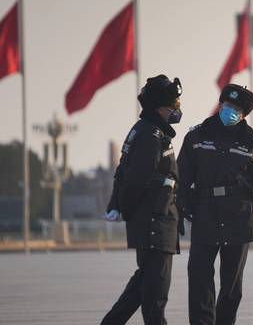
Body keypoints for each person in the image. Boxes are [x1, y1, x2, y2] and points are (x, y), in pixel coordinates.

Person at [176, 83, 253, 325]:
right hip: (205, 214)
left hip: (239, 217)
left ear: (243, 115)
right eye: (227, 105)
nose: (230, 111)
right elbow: (181, 176)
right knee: (198, 275)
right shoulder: (196, 136)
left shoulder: (251, 142)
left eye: (236, 109)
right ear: (220, 105)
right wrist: (183, 208)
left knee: (231, 283)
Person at [101, 74, 183, 325]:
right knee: (155, 294)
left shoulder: (145, 131)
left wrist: (119, 206)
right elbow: (136, 180)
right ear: (160, 107)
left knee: (142, 286)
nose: (177, 110)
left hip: (154, 222)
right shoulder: (151, 136)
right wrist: (124, 208)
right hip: (154, 223)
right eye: (174, 106)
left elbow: (123, 173)